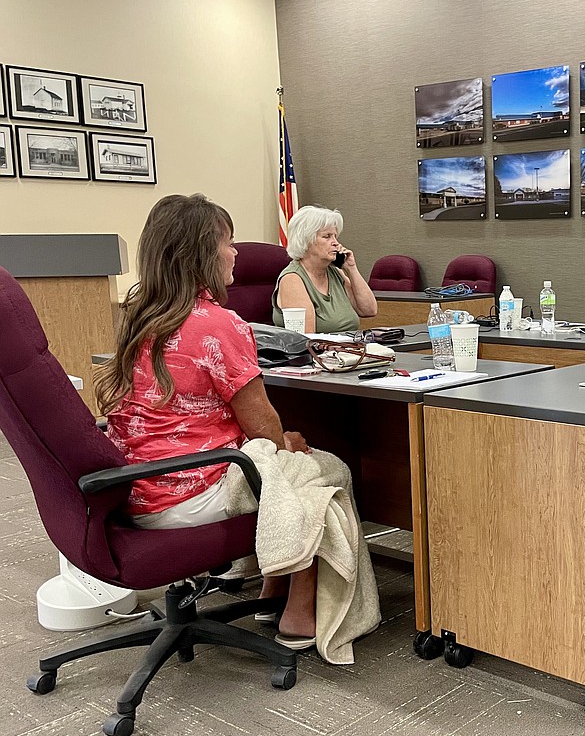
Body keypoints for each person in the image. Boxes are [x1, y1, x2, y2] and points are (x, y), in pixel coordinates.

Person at [96, 194, 378, 656]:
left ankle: (272, 590)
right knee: (323, 470)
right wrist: (286, 441)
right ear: (202, 255)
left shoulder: (141, 315)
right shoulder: (216, 323)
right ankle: (299, 610)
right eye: (228, 242)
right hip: (189, 492)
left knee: (287, 465)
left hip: (134, 488)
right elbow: (264, 428)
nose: (236, 253)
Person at [272, 205, 377, 333]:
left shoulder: (336, 273)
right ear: (306, 240)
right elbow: (306, 337)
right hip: (319, 351)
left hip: (348, 349)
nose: (336, 243)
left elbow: (369, 310)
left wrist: (351, 269)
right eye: (327, 236)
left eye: (335, 236)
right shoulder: (292, 280)